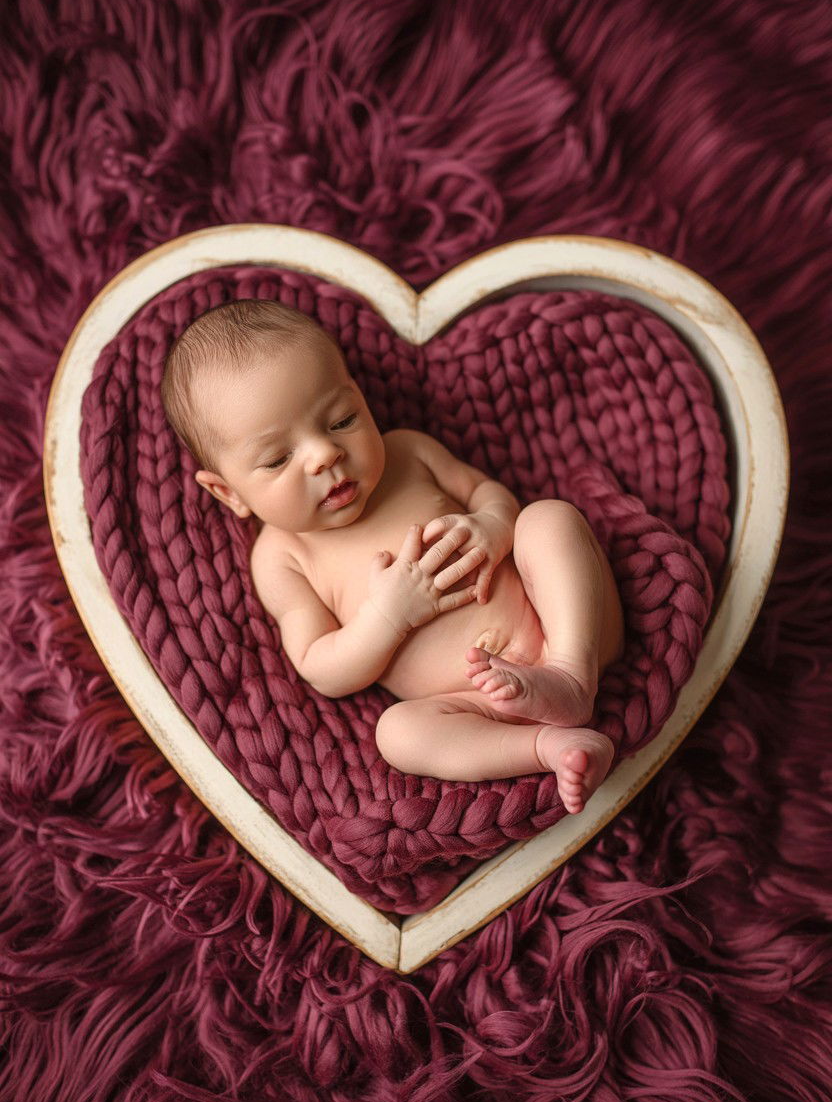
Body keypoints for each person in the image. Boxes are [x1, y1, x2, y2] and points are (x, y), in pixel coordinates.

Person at [161, 299, 626, 814]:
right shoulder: (282, 557)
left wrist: (493, 526)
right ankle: (546, 747)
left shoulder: (408, 453)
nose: (324, 454)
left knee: (548, 519)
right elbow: (321, 668)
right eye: (277, 458)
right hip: (478, 705)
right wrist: (389, 617)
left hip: (564, 627)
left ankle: (571, 677)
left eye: (341, 419)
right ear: (230, 494)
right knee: (398, 733)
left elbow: (491, 495)